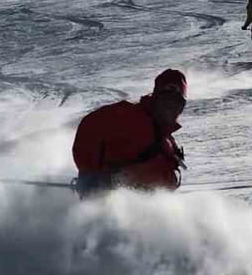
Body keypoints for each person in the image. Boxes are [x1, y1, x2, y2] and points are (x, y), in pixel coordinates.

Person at [71, 69, 188, 198]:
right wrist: (91, 173)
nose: (170, 107)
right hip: (108, 200)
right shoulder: (129, 117)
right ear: (155, 97)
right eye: (166, 99)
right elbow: (90, 127)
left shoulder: (165, 139)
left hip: (141, 204)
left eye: (177, 102)